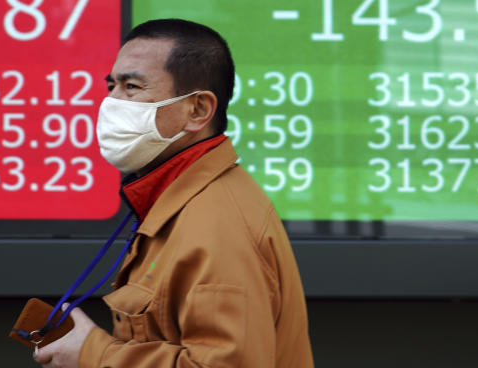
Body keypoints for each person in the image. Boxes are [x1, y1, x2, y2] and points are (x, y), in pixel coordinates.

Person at [33, 18, 313, 368]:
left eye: (132, 86)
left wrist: (93, 353)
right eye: (111, 87)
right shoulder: (180, 202)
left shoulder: (217, 225)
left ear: (197, 110)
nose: (112, 103)